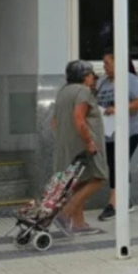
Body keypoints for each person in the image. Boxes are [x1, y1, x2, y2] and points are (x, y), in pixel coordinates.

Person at [52, 61, 109, 237]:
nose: (94, 78)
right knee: (99, 177)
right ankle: (65, 214)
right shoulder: (82, 92)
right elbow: (79, 119)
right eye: (92, 75)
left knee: (78, 183)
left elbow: (54, 123)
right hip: (84, 146)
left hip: (66, 145)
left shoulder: (63, 92)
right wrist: (89, 142)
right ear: (85, 76)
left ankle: (79, 224)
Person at [96, 53, 138, 223]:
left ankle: (115, 204)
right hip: (110, 132)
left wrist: (119, 108)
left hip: (129, 131)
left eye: (107, 63)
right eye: (103, 63)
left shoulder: (129, 79)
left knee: (119, 163)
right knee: (115, 164)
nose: (104, 67)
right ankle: (125, 200)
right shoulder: (103, 81)